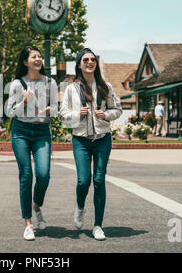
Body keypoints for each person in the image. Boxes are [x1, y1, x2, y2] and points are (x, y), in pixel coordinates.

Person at [60, 48, 122, 241]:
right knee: (83, 180)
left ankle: (98, 225)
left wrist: (106, 115)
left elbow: (117, 109)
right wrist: (78, 114)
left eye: (92, 59)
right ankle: (80, 207)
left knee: (99, 180)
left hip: (103, 139)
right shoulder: (71, 89)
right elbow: (63, 117)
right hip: (81, 140)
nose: (89, 62)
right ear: (79, 64)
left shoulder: (106, 87)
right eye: (85, 59)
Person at [6, 46, 58, 241]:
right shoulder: (17, 84)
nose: (38, 59)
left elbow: (55, 108)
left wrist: (49, 111)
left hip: (42, 131)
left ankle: (36, 204)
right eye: (33, 57)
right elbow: (10, 112)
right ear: (25, 62)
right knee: (26, 175)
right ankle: (28, 223)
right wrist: (24, 103)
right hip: (21, 131)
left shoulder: (50, 83)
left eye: (39, 56)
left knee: (44, 174)